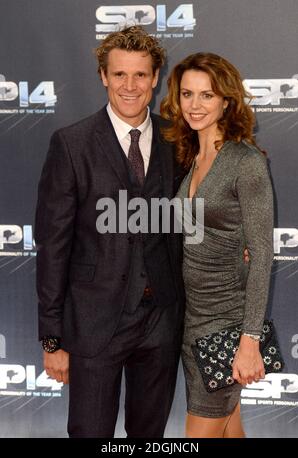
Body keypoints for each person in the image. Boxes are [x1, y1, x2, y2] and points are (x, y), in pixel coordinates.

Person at [34, 26, 185, 438]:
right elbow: (53, 245)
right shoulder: (71, 144)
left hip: (161, 321)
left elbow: (197, 215)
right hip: (94, 322)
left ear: (155, 77)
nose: (130, 86)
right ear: (103, 76)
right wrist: (52, 337)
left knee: (148, 438)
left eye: (140, 75)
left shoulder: (178, 141)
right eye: (119, 74)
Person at [160, 52, 274, 438]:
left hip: (227, 321)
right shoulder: (192, 156)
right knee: (229, 430)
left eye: (206, 95)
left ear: (226, 100)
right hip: (193, 319)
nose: (194, 105)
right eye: (187, 94)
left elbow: (261, 257)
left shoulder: (245, 162)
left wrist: (250, 341)